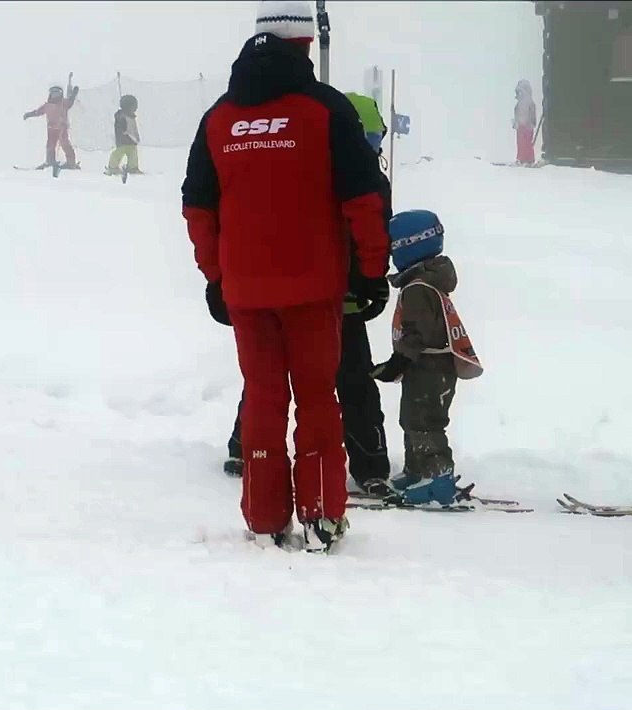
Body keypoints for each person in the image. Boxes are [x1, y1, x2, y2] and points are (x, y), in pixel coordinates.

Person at [181, 0, 392, 550]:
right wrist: (370, 271)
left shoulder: (219, 117)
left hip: (247, 291)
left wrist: (215, 277)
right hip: (314, 287)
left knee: (263, 397)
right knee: (318, 396)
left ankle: (265, 515)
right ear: (304, 45)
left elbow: (198, 207)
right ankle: (321, 515)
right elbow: (364, 198)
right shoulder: (326, 109)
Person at [222, 92, 394, 498]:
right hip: (321, 297)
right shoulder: (319, 173)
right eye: (370, 141)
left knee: (326, 381)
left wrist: (372, 277)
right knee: (289, 379)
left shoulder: (336, 172)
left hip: (339, 299)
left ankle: (369, 464)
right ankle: (247, 448)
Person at [370, 210, 482, 506]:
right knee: (411, 417)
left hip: (430, 366)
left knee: (424, 422)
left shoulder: (418, 287)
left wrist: (399, 362)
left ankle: (438, 478)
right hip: (432, 366)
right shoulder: (425, 280)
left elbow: (417, 332)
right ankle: (416, 469)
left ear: (408, 245)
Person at [23, 84, 80, 170]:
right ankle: (50, 161)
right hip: (51, 128)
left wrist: (74, 94)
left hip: (62, 127)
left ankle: (71, 163)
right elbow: (38, 112)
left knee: (65, 143)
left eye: (56, 94)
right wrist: (29, 114)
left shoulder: (63, 103)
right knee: (50, 145)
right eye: (53, 94)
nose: (54, 96)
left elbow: (70, 102)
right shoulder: (47, 105)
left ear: (60, 94)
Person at [106, 95, 141, 175]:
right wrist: (124, 132)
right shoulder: (121, 116)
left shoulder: (132, 116)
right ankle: (113, 167)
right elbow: (121, 128)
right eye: (133, 106)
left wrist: (136, 136)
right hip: (123, 140)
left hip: (131, 140)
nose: (135, 109)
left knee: (133, 153)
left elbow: (133, 128)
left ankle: (132, 167)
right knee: (118, 153)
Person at [512, 80, 537, 166]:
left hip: (527, 127)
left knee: (526, 143)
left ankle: (529, 159)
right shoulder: (518, 104)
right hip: (520, 127)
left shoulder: (530, 103)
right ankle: (521, 158)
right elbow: (516, 114)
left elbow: (532, 115)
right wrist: (516, 122)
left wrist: (531, 123)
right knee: (520, 143)